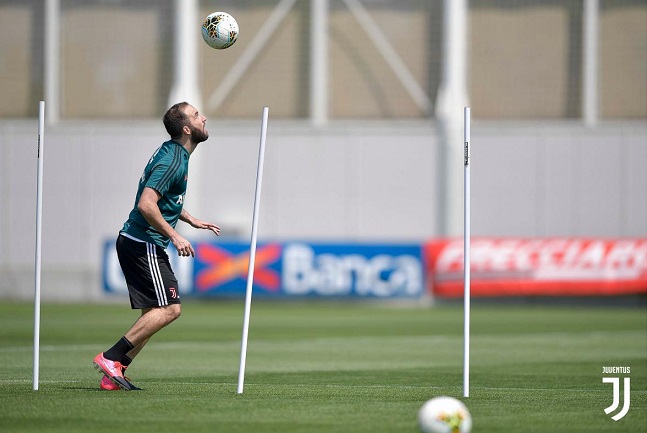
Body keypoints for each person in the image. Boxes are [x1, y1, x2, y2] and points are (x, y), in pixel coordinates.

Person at [93, 102, 220, 390]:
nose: (204, 118)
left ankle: (114, 374)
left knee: (152, 317)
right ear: (187, 128)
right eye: (197, 115)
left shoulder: (173, 152)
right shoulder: (173, 159)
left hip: (137, 241)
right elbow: (146, 203)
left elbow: (165, 199)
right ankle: (111, 357)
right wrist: (175, 236)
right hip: (143, 242)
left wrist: (190, 220)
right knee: (170, 309)